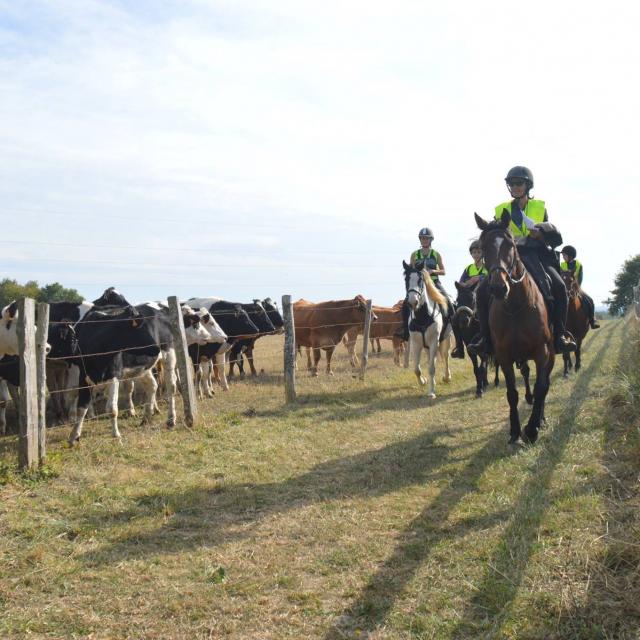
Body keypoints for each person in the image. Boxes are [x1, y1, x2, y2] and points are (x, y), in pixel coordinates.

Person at [467, 166, 577, 356]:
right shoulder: (501, 209)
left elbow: (551, 238)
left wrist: (540, 234)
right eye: (512, 184)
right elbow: (496, 235)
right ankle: (485, 340)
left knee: (559, 287)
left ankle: (559, 335)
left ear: (528, 186)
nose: (516, 187)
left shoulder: (539, 207)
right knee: (483, 292)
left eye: (519, 183)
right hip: (509, 258)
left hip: (535, 256)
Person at [402, 227, 458, 345]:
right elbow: (412, 270)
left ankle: (454, 331)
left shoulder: (436, 254)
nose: (424, 240)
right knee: (405, 304)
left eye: (426, 238)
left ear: (430, 240)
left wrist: (433, 271)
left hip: (434, 283)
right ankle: (405, 331)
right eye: (422, 238)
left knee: (448, 301)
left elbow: (443, 271)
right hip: (419, 284)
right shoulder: (414, 254)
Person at [450, 240, 488, 358]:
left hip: (485, 297)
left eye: (478, 252)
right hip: (470, 299)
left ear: (483, 253)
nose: (476, 254)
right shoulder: (468, 268)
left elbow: (491, 278)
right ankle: (459, 347)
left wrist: (479, 278)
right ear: (471, 254)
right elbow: (461, 282)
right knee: (454, 317)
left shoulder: (487, 267)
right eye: (474, 252)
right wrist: (464, 284)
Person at [560, 245, 600, 329]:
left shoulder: (578, 264)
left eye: (564, 255)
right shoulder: (562, 265)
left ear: (570, 256)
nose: (563, 257)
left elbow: (580, 277)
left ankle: (592, 320)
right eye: (563, 255)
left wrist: (576, 286)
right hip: (564, 287)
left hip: (576, 287)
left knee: (589, 300)